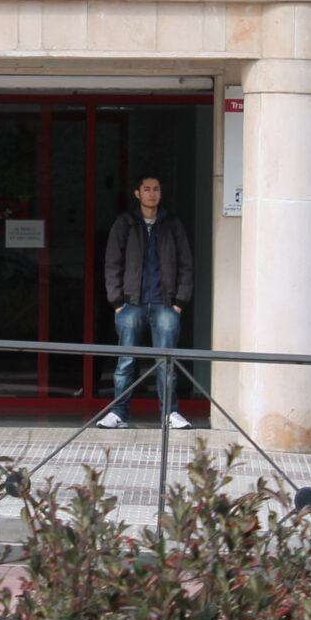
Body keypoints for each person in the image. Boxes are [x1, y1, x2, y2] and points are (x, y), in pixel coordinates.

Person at [99, 174, 194, 430]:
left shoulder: (172, 224)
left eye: (156, 189)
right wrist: (117, 302)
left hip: (166, 305)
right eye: (147, 189)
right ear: (137, 193)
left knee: (166, 363)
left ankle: (169, 413)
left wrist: (179, 301)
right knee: (125, 362)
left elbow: (186, 264)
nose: (152, 193)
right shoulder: (125, 223)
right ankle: (119, 413)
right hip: (131, 304)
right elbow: (112, 263)